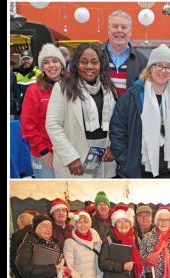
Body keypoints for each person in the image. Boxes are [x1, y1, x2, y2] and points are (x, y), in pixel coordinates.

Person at [109, 44, 170, 178]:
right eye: (159, 65)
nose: (163, 71)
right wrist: (127, 160)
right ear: (150, 68)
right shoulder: (132, 97)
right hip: (139, 170)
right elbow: (117, 130)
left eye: (168, 67)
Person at [46, 43, 119, 178]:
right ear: (76, 65)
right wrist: (71, 157)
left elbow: (118, 123)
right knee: (76, 198)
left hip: (104, 157)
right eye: (83, 62)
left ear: (101, 65)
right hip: (75, 157)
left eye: (94, 62)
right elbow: (53, 125)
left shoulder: (109, 89)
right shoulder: (62, 88)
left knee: (101, 198)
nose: (89, 67)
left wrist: (114, 146)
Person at [20, 44, 67, 178]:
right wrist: (44, 150)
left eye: (55, 61)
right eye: (46, 62)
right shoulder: (34, 91)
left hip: (67, 153)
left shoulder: (71, 88)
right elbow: (28, 126)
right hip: (45, 154)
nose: (51, 65)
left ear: (62, 64)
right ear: (42, 67)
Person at [103, 10, 148, 96]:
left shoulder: (143, 61)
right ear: (108, 30)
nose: (119, 30)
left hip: (130, 109)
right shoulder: (96, 55)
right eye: (115, 26)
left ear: (130, 32)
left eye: (124, 27)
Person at [11, 211, 35, 278]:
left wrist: (14, 272)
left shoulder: (17, 235)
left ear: (21, 223)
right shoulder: (38, 233)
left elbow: (13, 258)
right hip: (38, 277)